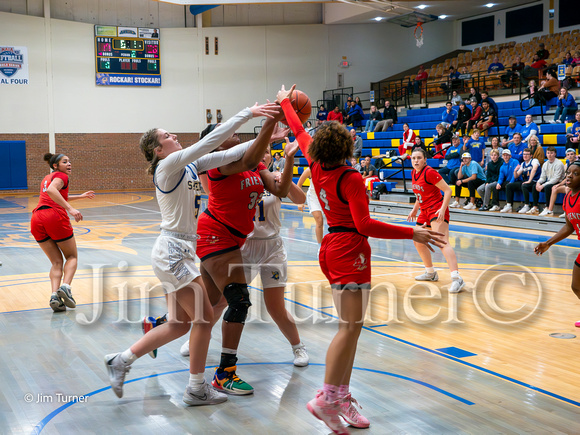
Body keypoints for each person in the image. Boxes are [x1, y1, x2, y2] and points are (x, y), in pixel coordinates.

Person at [277, 84, 444, 434]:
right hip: (349, 247)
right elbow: (364, 224)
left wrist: (283, 102)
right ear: (347, 147)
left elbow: (298, 130)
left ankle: (340, 396)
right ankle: (325, 398)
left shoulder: (315, 162)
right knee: (349, 328)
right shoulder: (350, 177)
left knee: (352, 330)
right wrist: (411, 231)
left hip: (333, 246)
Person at [104, 102, 280, 405]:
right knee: (203, 318)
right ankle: (196, 388)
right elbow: (211, 142)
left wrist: (268, 136)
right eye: (167, 136)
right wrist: (250, 113)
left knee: (178, 323)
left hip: (177, 250)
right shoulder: (167, 166)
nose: (174, 135)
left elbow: (229, 154)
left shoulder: (188, 166)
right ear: (158, 150)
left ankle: (120, 360)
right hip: (173, 250)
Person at [195, 112, 298, 396]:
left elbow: (281, 188)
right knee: (239, 301)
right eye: (223, 129)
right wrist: (268, 123)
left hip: (232, 239)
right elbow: (249, 159)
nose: (232, 130)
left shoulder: (255, 164)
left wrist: (288, 158)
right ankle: (225, 373)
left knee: (205, 304)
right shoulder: (217, 164)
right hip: (216, 235)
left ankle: (155, 330)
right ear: (215, 143)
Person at [30, 153, 95, 312]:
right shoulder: (61, 176)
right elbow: (54, 191)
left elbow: (55, 194)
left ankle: (55, 297)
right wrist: (71, 209)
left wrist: (80, 196)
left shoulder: (47, 177)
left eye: (69, 161)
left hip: (37, 218)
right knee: (72, 257)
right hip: (54, 216)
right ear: (55, 165)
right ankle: (65, 287)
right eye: (64, 162)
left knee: (56, 262)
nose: (69, 164)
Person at [408, 148, 465, 293]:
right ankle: (430, 273)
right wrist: (415, 209)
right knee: (418, 240)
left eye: (419, 158)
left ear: (425, 159)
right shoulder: (414, 173)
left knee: (442, 242)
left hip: (437, 208)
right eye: (414, 158)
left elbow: (448, 191)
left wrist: (442, 208)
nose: (416, 161)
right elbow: (419, 193)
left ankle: (457, 279)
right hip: (424, 210)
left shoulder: (430, 172)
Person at [534, 161, 580, 328]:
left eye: (575, 173)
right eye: (569, 172)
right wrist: (548, 243)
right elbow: (569, 226)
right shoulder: (568, 198)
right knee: (576, 286)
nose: (569, 175)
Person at [545, 148, 578, 217]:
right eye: (568, 155)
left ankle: (567, 211)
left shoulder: (578, 164)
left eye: (572, 154)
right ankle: (550, 210)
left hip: (576, 186)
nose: (570, 156)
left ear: (575, 155)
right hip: (568, 185)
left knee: (567, 189)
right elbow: (566, 178)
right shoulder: (566, 165)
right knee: (554, 188)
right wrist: (559, 184)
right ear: (566, 156)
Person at [298, 167, 325, 247]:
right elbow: (299, 185)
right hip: (314, 197)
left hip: (326, 197)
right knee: (319, 220)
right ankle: (320, 247)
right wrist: (300, 202)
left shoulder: (332, 168)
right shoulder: (310, 170)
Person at [537, 146, 567, 216]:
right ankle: (535, 207)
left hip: (559, 182)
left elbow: (556, 179)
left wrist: (543, 185)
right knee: (534, 186)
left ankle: (548, 208)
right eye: (548, 153)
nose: (549, 155)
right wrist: (538, 183)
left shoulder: (559, 163)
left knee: (547, 187)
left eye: (551, 153)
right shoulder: (545, 164)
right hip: (550, 181)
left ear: (555, 154)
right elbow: (543, 177)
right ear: (546, 154)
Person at [512, 148, 542, 214]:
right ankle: (509, 205)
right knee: (510, 185)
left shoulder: (534, 161)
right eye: (524, 154)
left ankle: (527, 205)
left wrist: (529, 180)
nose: (525, 156)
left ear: (531, 155)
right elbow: (516, 176)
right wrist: (515, 170)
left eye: (527, 154)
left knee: (525, 185)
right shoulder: (523, 164)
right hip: (529, 181)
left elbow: (534, 169)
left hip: (536, 180)